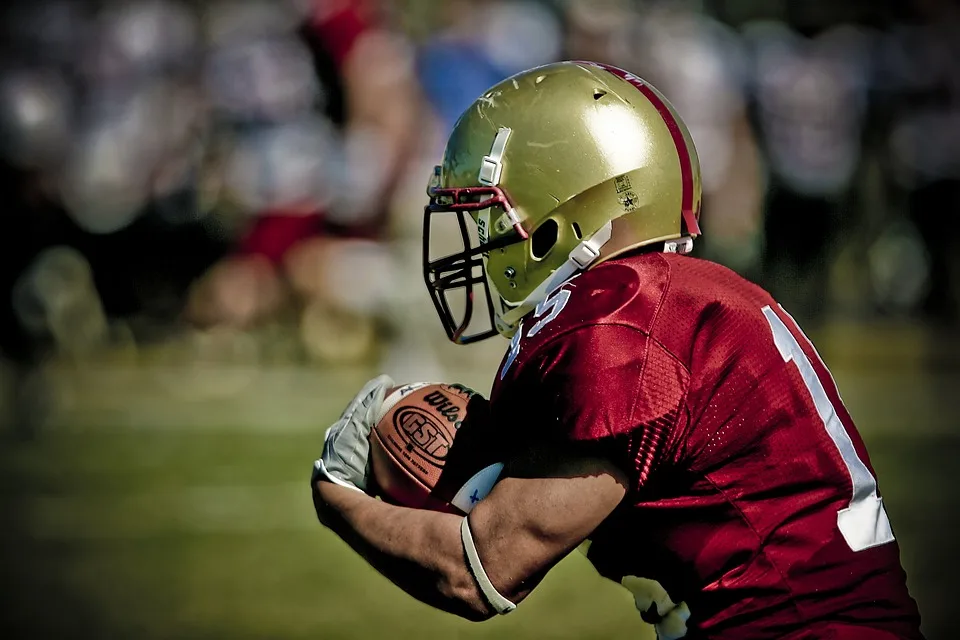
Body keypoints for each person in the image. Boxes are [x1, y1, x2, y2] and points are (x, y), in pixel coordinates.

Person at [311, 61, 924, 639]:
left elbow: (482, 570)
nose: (482, 247)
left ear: (561, 217)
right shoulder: (664, 299)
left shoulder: (620, 325)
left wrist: (337, 494)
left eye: (495, 221)